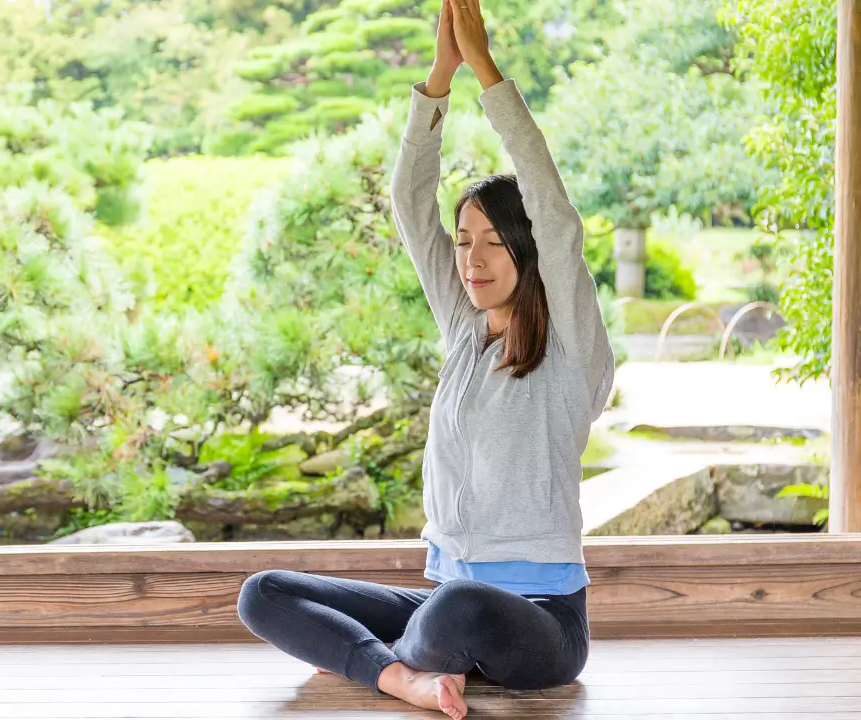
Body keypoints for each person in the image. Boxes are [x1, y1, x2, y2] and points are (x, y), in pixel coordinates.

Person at [235, 1, 616, 718]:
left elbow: (557, 215)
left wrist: (486, 73)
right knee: (265, 593)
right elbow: (411, 204)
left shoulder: (571, 352)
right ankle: (404, 676)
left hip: (538, 621)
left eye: (493, 243)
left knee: (459, 610)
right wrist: (437, 81)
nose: (470, 259)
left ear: (528, 253)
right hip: (442, 597)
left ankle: (373, 659)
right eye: (464, 239)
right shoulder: (465, 332)